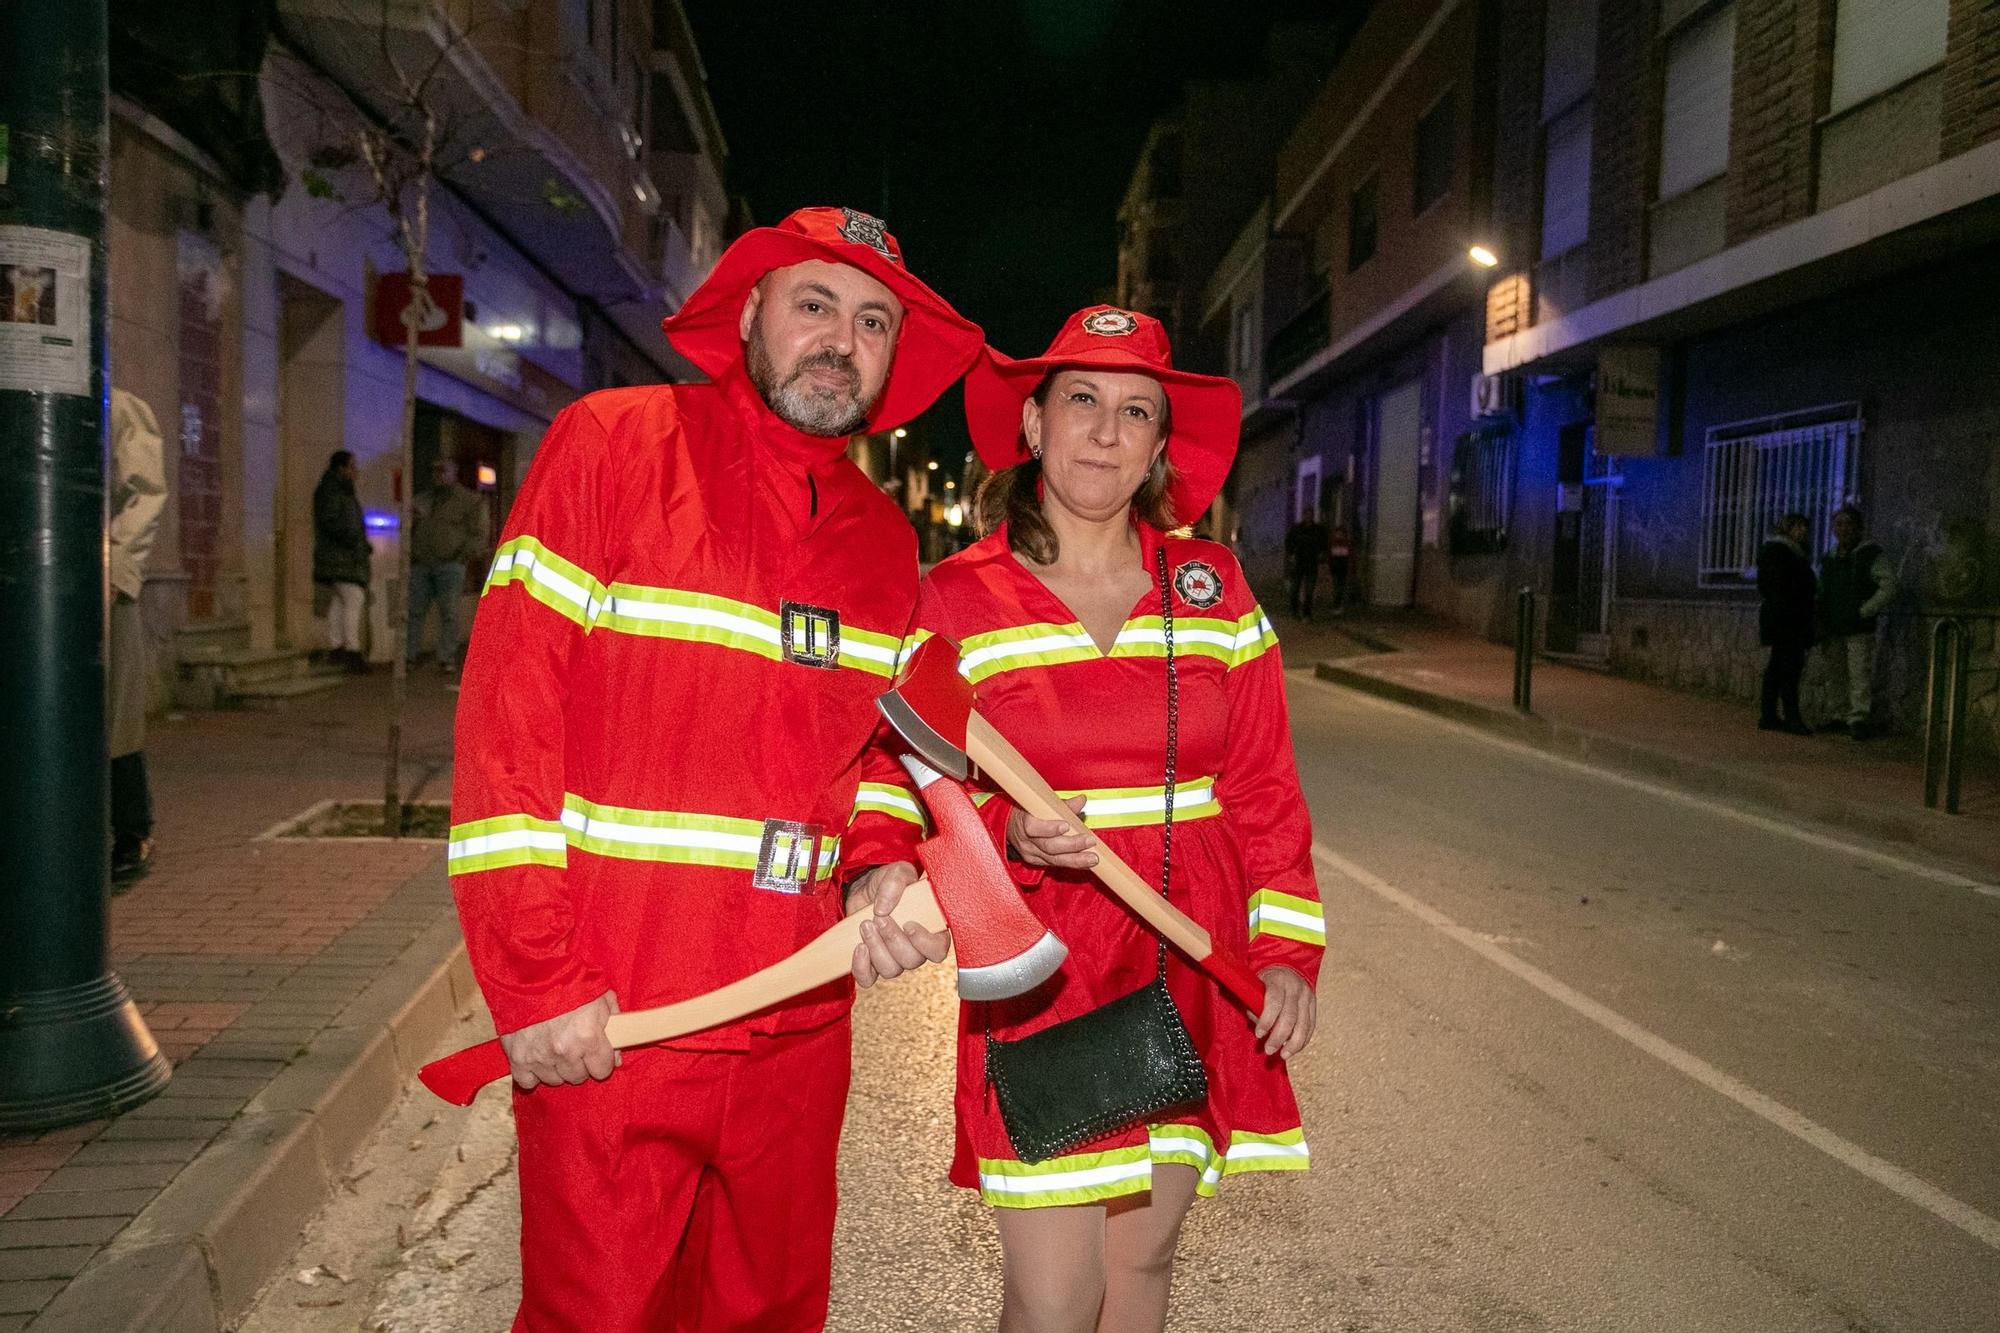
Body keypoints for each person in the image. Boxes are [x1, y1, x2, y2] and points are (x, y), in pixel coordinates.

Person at [449, 207, 982, 1332]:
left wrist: (880, 868)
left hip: (795, 1027)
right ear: (748, 315)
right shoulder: (609, 443)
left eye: (873, 321)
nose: (841, 339)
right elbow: (509, 724)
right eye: (814, 305)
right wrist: (533, 983)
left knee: (769, 1316)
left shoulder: (885, 540)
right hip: (616, 1019)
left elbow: (884, 751)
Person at [858, 306, 1323, 1332]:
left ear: (1160, 446)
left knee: (1142, 1263)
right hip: (1045, 965)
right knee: (1057, 1293)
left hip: (1184, 954)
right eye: (1080, 401)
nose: (1104, 432)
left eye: (1133, 411)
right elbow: (903, 775)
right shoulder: (955, 596)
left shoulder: (1214, 591)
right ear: (1031, 426)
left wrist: (1285, 950)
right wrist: (1003, 831)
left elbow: (1263, 790)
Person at [109, 388, 167, 884]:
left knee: (115, 710)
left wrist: (117, 569)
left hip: (99, 582)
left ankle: (130, 826)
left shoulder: (119, 405)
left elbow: (145, 492)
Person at [1818, 505, 1896, 739]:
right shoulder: (1830, 558)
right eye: (1838, 524)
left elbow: (1890, 585)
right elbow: (1823, 590)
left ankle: (1858, 718)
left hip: (1857, 626)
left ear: (1858, 528)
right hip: (1833, 626)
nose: (1842, 529)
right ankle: (1838, 715)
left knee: (1858, 673)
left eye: (1847, 524)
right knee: (1836, 674)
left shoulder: (1869, 554)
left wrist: (1866, 610)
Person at [406, 457, 486, 674]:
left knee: (449, 612)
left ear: (454, 473)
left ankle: (446, 657)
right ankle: (409, 655)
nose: (439, 476)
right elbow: (409, 527)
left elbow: (478, 534)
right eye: (435, 472)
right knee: (414, 611)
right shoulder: (424, 500)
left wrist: (462, 556)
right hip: (422, 563)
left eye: (443, 471)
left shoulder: (469, 501)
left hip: (450, 563)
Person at [1756, 512, 1816, 735]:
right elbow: (1781, 587)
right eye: (1798, 527)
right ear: (1787, 529)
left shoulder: (1788, 552)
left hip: (1786, 618)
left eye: (1805, 527)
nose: (1802, 532)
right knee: (1789, 668)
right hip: (1788, 619)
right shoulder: (1781, 552)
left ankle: (1770, 714)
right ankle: (1791, 717)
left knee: (1778, 666)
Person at [312, 450, 372, 672]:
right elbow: (334, 522)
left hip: (338, 557)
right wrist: (353, 540)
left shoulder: (336, 490)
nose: (355, 471)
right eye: (352, 467)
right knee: (353, 599)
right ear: (341, 468)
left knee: (339, 602)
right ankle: (352, 650)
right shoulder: (334, 491)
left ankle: (337, 646)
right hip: (342, 557)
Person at [1282, 503, 1326, 620]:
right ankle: (1295, 611)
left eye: (1310, 515)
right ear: (1303, 516)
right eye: (1306, 515)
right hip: (1299, 561)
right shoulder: (1297, 529)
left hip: (1311, 562)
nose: (1308, 517)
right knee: (1295, 588)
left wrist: (1321, 555)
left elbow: (1323, 543)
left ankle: (1307, 612)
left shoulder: (1317, 530)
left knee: (1310, 589)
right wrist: (1291, 554)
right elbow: (1289, 542)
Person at [1324, 522, 1352, 616]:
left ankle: (1339, 606)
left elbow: (1350, 557)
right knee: (1337, 588)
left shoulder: (1346, 544)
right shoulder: (1332, 544)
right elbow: (1329, 557)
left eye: (1341, 533)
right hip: (1335, 570)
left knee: (1341, 588)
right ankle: (1337, 606)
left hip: (1343, 570)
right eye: (1337, 533)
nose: (1339, 535)